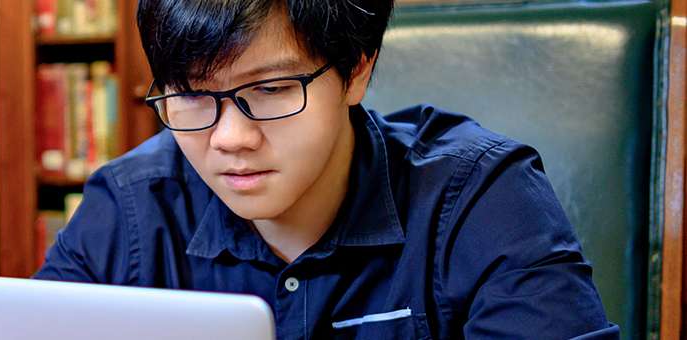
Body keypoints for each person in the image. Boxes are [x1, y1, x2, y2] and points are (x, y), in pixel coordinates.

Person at [32, 0, 618, 338]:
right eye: (190, 95)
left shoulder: (481, 199)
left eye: (271, 88)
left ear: (357, 70)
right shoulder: (130, 209)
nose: (230, 139)